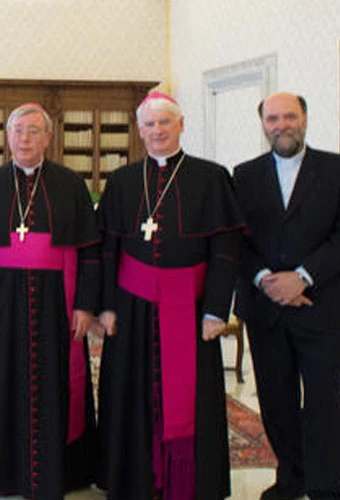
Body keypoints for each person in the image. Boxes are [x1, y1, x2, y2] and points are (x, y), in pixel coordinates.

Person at [96, 91, 244, 500]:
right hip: (132, 306)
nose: (157, 131)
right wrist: (106, 306)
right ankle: (133, 481)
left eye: (165, 122)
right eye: (149, 124)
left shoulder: (211, 178)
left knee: (192, 398)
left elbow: (225, 250)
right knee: (130, 394)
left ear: (182, 125)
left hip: (191, 309)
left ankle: (189, 483)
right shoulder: (124, 179)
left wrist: (216, 310)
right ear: (139, 130)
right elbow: (107, 249)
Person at [0, 103, 101, 499]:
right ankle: (0, 471)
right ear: (7, 137)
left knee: (55, 383)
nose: (25, 138)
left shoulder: (71, 184)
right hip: (0, 306)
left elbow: (90, 251)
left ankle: (61, 470)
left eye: (33, 131)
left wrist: (85, 305)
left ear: (48, 137)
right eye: (18, 130)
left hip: (56, 302)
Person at [233, 92, 340, 500]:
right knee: (276, 402)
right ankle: (290, 479)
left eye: (289, 117)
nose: (282, 125)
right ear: (263, 124)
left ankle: (326, 482)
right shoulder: (243, 175)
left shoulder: (334, 169)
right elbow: (236, 239)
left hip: (322, 306)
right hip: (266, 310)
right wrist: (265, 279)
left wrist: (303, 277)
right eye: (273, 118)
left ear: (305, 119)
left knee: (323, 403)